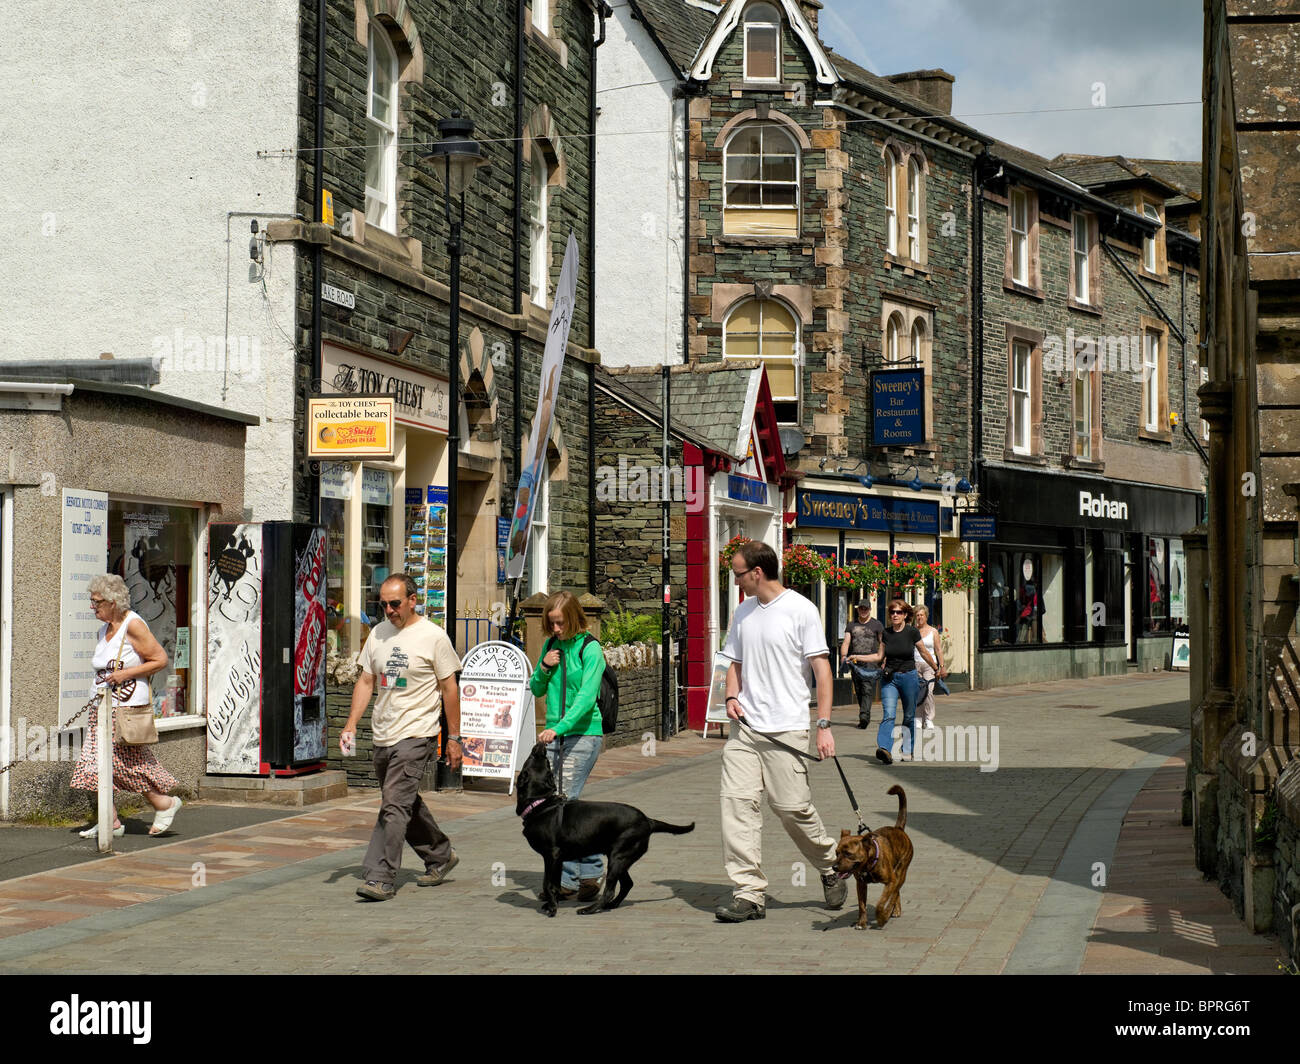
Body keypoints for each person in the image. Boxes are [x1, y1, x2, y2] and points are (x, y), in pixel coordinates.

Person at [715, 540, 847, 922]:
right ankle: (749, 893)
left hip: (787, 727)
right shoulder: (743, 611)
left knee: (791, 808)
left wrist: (823, 725)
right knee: (737, 805)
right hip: (746, 728)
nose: (736, 580)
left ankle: (830, 864)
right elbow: (733, 660)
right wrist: (731, 697)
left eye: (738, 573)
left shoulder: (801, 610)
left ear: (757, 573)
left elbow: (822, 670)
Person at [341, 573, 463, 901]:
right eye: (383, 604)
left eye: (395, 603)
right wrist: (351, 723)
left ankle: (380, 877)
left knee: (393, 804)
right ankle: (440, 854)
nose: (390, 610)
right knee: (405, 801)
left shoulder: (433, 637)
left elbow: (450, 688)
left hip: (417, 733)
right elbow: (367, 681)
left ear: (413, 599)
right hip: (383, 733)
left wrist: (455, 738)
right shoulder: (378, 634)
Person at [71, 574, 182, 837]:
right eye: (92, 600)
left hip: (126, 707)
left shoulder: (133, 625)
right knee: (96, 763)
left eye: (97, 601)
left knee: (121, 764)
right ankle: (110, 821)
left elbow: (159, 659)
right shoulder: (104, 629)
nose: (92, 606)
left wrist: (125, 674)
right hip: (102, 705)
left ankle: (164, 803)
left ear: (113, 602)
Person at [528, 590, 607, 902]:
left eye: (560, 623)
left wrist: (557, 727)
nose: (556, 629)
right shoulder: (550, 646)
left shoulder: (590, 649)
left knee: (564, 804)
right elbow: (535, 688)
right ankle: (589, 874)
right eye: (552, 624)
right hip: (555, 735)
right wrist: (545, 667)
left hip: (584, 734)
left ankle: (568, 880)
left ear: (574, 618)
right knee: (567, 807)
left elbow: (586, 700)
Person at [867, 599, 939, 765]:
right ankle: (884, 748)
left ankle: (907, 749)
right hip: (890, 679)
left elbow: (924, 652)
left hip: (909, 677)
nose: (894, 615)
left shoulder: (912, 632)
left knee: (908, 716)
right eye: (892, 612)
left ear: (905, 615)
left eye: (898, 612)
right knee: (889, 714)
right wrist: (856, 656)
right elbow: (879, 656)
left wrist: (937, 668)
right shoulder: (885, 633)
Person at [840, 598, 884, 729]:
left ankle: (864, 717)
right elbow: (846, 642)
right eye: (861, 608)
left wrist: (883, 658)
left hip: (871, 661)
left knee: (867, 688)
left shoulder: (877, 625)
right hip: (855, 662)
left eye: (866, 609)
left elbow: (882, 643)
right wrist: (843, 656)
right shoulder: (851, 625)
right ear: (858, 609)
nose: (863, 611)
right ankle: (864, 713)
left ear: (870, 610)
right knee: (858, 689)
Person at [912, 604, 948, 731]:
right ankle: (917, 718)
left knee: (928, 692)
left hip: (929, 665)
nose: (919, 617)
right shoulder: (913, 631)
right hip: (915, 664)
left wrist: (941, 666)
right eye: (917, 615)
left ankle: (928, 719)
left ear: (926, 616)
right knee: (917, 692)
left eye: (921, 615)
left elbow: (938, 650)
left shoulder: (933, 631)